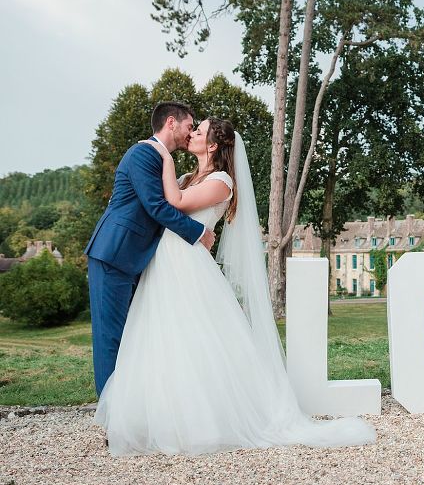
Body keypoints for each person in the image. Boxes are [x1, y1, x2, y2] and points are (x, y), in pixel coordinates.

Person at [94, 117, 376, 455]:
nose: (193, 133)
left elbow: (175, 203)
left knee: (196, 341)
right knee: (163, 340)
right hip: (165, 263)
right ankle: (163, 417)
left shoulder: (221, 181)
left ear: (212, 145)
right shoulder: (188, 177)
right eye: (193, 128)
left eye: (200, 131)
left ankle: (205, 421)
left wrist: (164, 157)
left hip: (187, 265)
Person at [85, 102, 216, 397]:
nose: (190, 132)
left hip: (133, 258)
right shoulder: (144, 152)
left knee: (132, 337)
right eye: (188, 126)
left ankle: (130, 411)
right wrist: (199, 233)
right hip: (114, 254)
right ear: (171, 122)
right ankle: (112, 419)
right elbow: (156, 207)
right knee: (111, 338)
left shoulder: (163, 160)